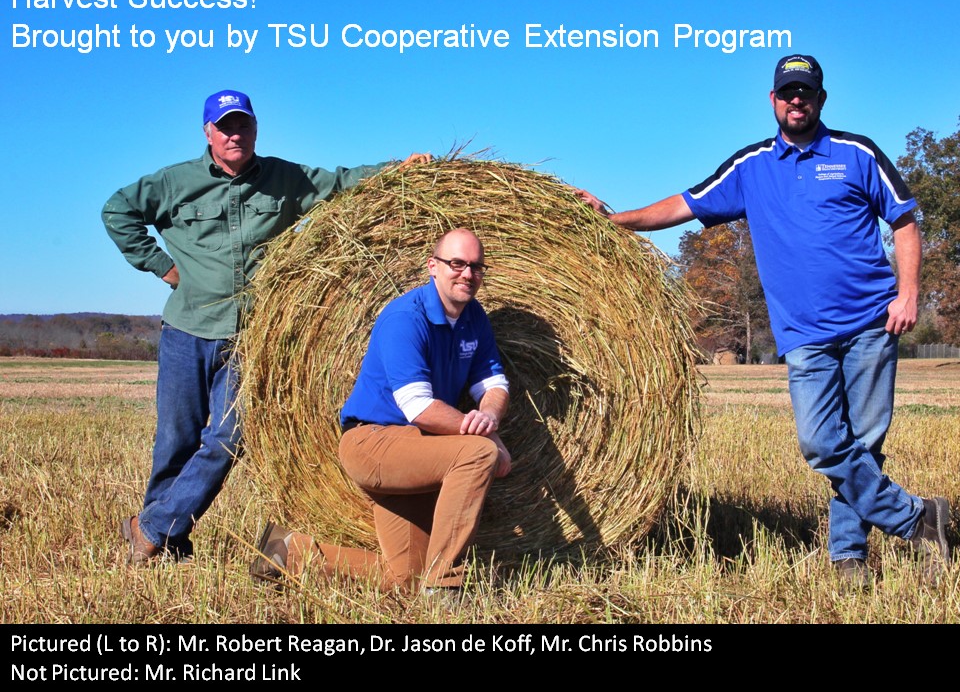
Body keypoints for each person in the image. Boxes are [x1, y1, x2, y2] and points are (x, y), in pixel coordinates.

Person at [578, 55, 950, 584]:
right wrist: (616, 220)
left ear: (821, 99)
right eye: (786, 92)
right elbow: (684, 204)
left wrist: (907, 294)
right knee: (823, 444)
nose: (796, 100)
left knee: (863, 445)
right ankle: (919, 518)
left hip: (871, 322)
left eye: (806, 92)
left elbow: (906, 222)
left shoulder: (857, 152)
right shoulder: (750, 166)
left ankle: (848, 558)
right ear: (773, 101)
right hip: (804, 335)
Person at [102, 89, 431, 563]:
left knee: (229, 437)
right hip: (187, 329)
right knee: (175, 440)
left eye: (243, 125)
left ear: (255, 129)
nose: (235, 134)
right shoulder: (175, 182)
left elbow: (341, 183)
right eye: (225, 126)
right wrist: (160, 266)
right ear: (208, 132)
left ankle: (150, 528)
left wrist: (397, 169)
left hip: (249, 338)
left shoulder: (285, 178)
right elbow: (117, 211)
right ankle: (164, 543)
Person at [250, 229, 511, 599]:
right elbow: (418, 408)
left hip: (419, 452)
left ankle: (287, 552)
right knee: (477, 453)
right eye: (457, 264)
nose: (467, 274)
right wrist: (486, 437)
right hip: (375, 443)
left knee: (405, 579)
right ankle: (445, 586)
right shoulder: (405, 317)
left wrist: (492, 418)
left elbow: (493, 384)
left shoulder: (474, 318)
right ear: (432, 266)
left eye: (475, 266)